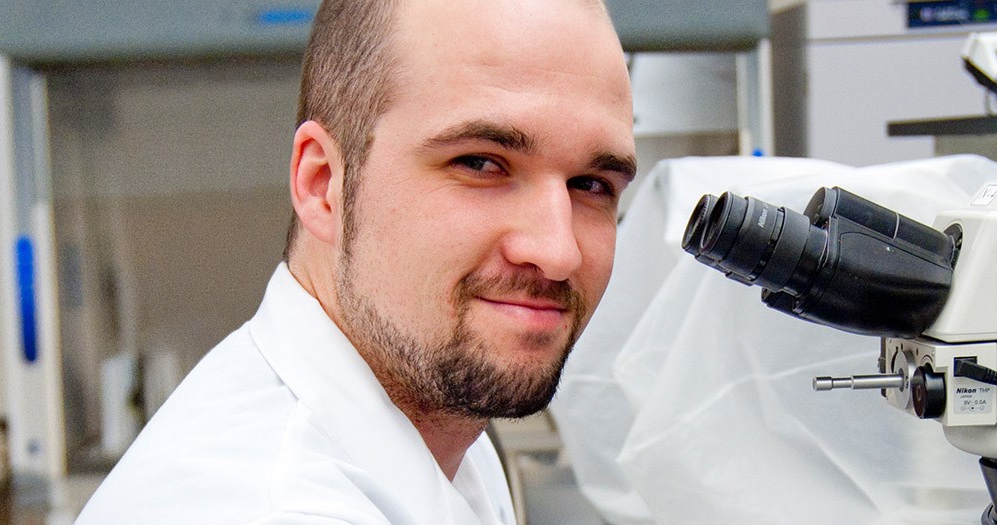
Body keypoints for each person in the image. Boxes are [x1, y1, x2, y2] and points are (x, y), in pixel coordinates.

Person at [74, 0, 636, 522]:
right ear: (323, 185)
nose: (558, 251)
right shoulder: (271, 506)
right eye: (482, 164)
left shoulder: (439, 433)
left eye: (592, 183)